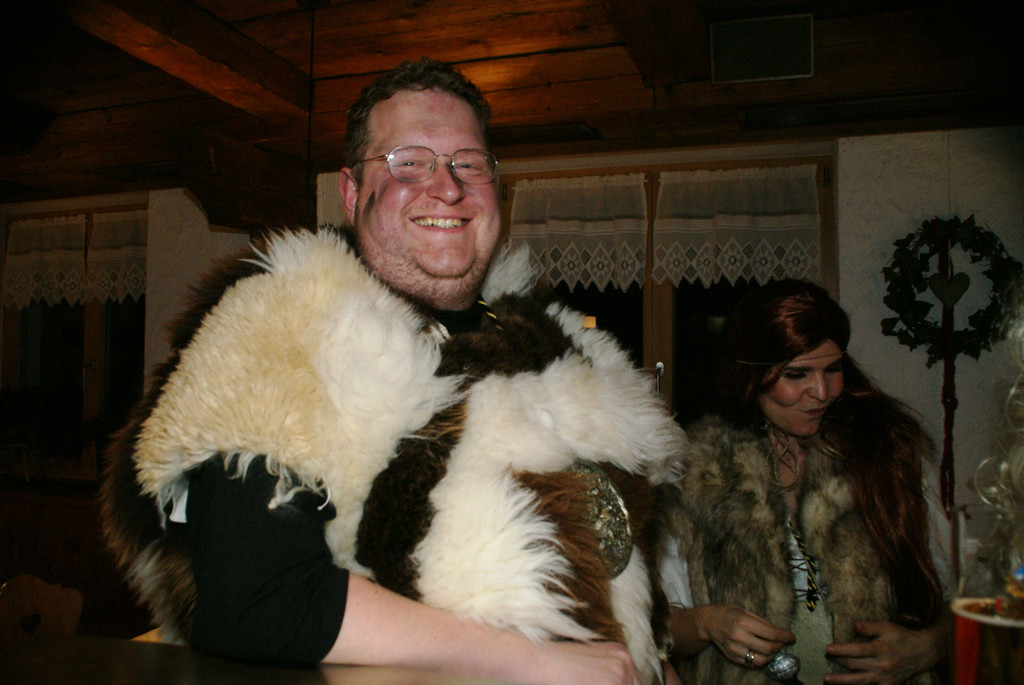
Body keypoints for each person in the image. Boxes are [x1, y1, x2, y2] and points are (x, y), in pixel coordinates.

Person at [100, 58, 686, 685]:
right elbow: (253, 598)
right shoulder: (281, 328)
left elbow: (620, 565)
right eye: (410, 162)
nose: (448, 187)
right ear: (353, 193)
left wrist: (651, 661)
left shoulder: (560, 346)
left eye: (469, 163)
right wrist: (534, 662)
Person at [663, 279, 951, 684]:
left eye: (833, 368)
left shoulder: (888, 454)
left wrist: (929, 646)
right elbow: (661, 625)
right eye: (797, 374)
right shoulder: (698, 472)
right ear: (751, 375)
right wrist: (706, 623)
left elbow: (964, 596)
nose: (821, 392)